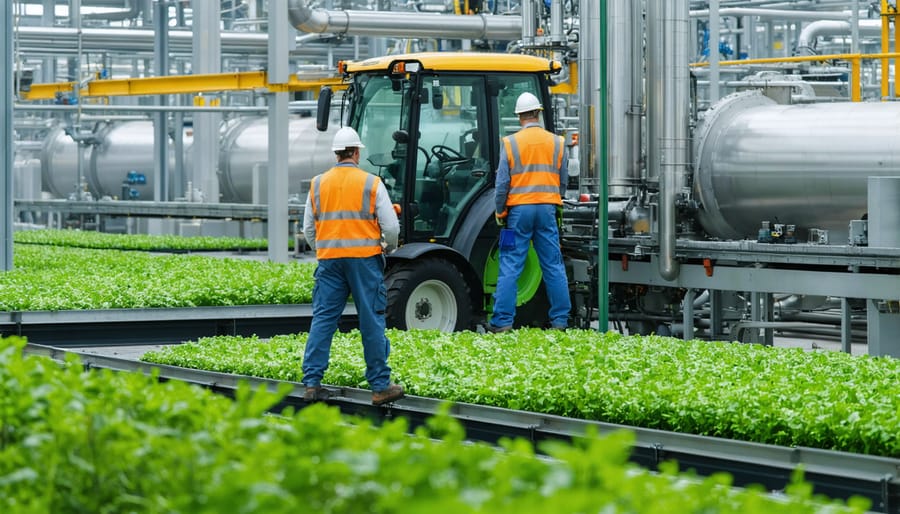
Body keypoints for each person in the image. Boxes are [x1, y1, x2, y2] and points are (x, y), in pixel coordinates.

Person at [301, 126, 405, 406]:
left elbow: (308, 229)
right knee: (371, 320)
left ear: (337, 153)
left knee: (323, 319)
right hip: (364, 261)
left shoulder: (318, 183)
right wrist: (388, 248)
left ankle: (312, 384)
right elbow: (391, 226)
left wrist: (323, 249)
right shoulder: (371, 183)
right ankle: (380, 386)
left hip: (330, 262)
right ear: (357, 152)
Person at [488, 92, 571, 332]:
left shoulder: (511, 143)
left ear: (519, 116)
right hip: (547, 211)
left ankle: (502, 322)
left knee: (510, 264)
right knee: (553, 265)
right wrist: (554, 199)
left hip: (517, 214)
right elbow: (562, 181)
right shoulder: (557, 142)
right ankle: (560, 321)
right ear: (538, 113)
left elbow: (502, 184)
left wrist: (500, 210)